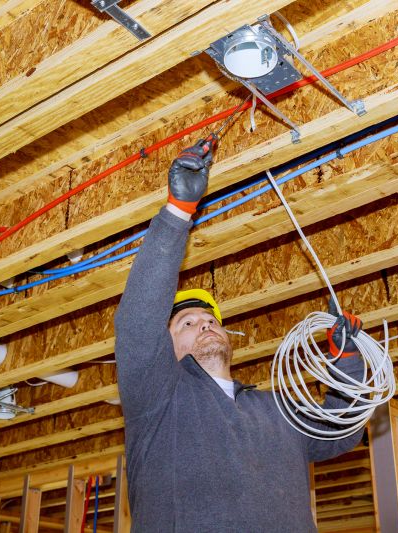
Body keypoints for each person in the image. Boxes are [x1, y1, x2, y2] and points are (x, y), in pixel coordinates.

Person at [114, 138, 366, 532]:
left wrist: (347, 363)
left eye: (210, 319)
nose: (205, 324)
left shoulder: (275, 410)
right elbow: (138, 321)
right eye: (187, 324)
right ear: (166, 347)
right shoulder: (158, 400)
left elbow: (340, 432)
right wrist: (178, 212)